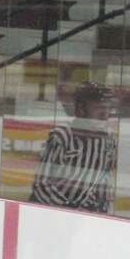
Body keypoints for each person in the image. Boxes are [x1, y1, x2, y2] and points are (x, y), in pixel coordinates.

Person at [29, 82, 119, 214]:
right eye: (98, 107)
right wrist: (68, 209)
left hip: (80, 215)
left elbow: (103, 182)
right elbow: (42, 184)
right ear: (80, 109)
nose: (104, 114)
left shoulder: (108, 140)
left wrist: (98, 210)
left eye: (107, 107)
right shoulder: (62, 136)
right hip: (49, 213)